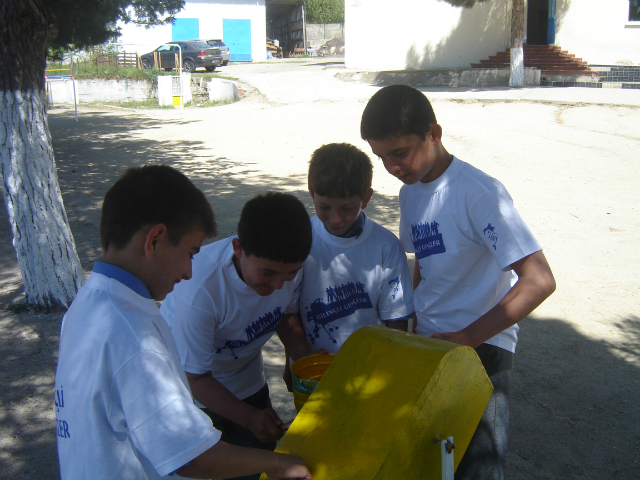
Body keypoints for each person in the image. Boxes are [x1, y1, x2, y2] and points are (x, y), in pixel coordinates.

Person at [54, 166, 311, 480]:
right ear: (155, 239)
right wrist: (281, 464)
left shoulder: (87, 304)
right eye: (190, 253)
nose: (190, 271)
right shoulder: (134, 336)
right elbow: (190, 457)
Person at [360, 85, 556, 480]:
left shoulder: (479, 193)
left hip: (480, 350)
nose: (393, 167)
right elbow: (425, 263)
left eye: (400, 153)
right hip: (432, 343)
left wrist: (468, 337)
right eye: (381, 157)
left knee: (478, 467)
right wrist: (413, 321)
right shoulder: (410, 193)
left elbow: (539, 280)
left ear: (434, 133)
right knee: (435, 459)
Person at [160, 191, 313, 480]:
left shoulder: (289, 267)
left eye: (290, 274)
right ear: (238, 248)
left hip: (247, 385)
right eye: (268, 273)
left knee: (256, 470)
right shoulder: (201, 288)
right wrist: (249, 418)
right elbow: (196, 378)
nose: (279, 284)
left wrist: (302, 363)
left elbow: (287, 315)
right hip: (191, 397)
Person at [300, 142, 414, 353]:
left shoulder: (386, 246)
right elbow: (286, 308)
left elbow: (396, 319)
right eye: (324, 206)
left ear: (366, 198)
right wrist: (297, 354)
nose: (335, 219)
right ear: (311, 193)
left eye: (346, 208)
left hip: (369, 367)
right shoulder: (299, 239)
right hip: (313, 369)